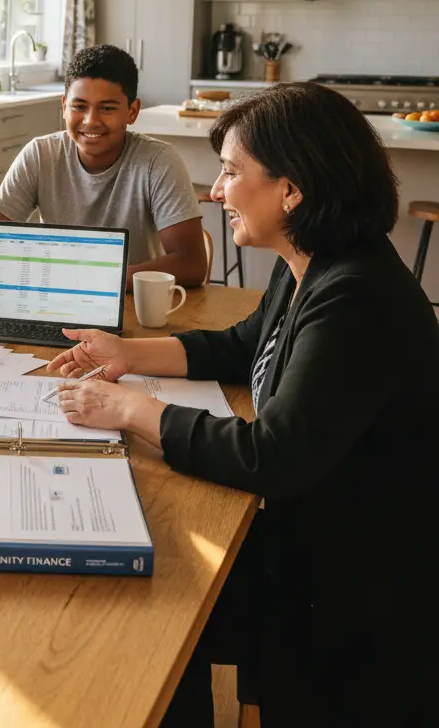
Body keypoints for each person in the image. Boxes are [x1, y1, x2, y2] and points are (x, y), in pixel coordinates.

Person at [46, 82, 437, 724]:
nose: (218, 191)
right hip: (316, 544)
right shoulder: (308, 260)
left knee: (150, 605)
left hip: (358, 595)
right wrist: (126, 353)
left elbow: (272, 456)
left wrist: (128, 410)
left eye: (231, 172)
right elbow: (240, 346)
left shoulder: (356, 297)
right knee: (153, 597)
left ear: (292, 189)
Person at [0, 44, 206, 286]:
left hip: (131, 301)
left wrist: (100, 281)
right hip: (54, 297)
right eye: (79, 107)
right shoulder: (40, 154)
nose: (90, 121)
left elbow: (192, 264)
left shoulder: (158, 161)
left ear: (132, 111)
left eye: (107, 108)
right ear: (64, 107)